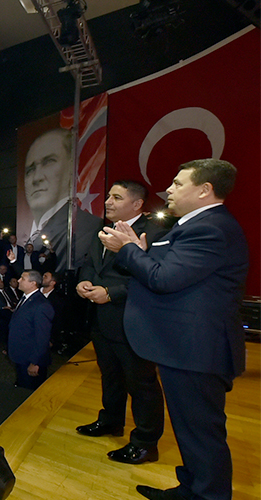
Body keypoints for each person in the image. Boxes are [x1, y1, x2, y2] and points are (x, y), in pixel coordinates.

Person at [98, 159, 249, 500]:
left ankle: (208, 495)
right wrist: (140, 252)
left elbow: (163, 279)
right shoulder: (195, 226)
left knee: (201, 434)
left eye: (179, 184)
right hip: (185, 347)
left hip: (196, 349)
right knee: (190, 431)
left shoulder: (209, 228)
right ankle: (191, 489)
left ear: (204, 189)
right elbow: (171, 270)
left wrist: (129, 251)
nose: (169, 189)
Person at [75, 180, 166, 465]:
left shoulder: (155, 233)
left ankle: (145, 443)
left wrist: (111, 294)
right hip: (103, 321)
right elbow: (91, 263)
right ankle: (111, 421)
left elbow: (155, 278)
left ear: (137, 204)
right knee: (110, 375)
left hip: (134, 323)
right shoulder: (103, 230)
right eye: (109, 196)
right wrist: (84, 282)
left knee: (141, 384)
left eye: (117, 197)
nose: (108, 202)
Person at [21, 128, 102, 272]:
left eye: (49, 162)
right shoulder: (33, 234)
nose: (37, 177)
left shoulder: (87, 228)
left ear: (71, 168)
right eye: (30, 170)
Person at [7, 270, 53, 390]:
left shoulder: (41, 305)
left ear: (33, 283)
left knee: (29, 390)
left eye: (22, 278)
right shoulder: (26, 298)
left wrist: (35, 362)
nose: (18, 280)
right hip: (20, 354)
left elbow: (42, 336)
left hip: (30, 358)